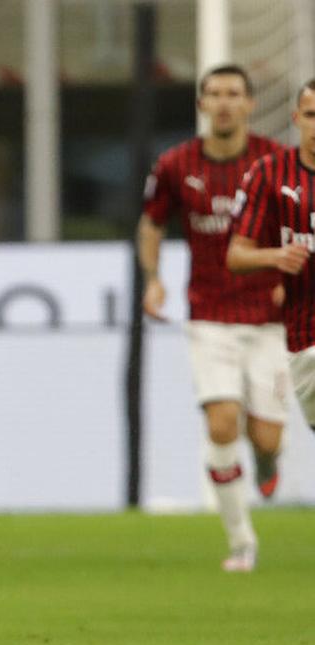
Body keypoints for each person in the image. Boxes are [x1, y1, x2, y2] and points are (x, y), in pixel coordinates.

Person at [136, 64, 285, 573]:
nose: (223, 102)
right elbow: (151, 224)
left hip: (272, 317)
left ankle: (267, 460)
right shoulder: (177, 164)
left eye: (233, 94)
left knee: (265, 436)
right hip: (210, 314)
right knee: (222, 425)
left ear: (249, 104)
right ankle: (241, 542)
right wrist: (153, 278)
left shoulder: (275, 163)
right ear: (201, 104)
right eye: (214, 94)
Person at [227, 78, 315, 454]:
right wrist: (276, 256)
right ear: (296, 118)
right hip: (306, 338)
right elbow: (236, 255)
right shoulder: (270, 173)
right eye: (312, 114)